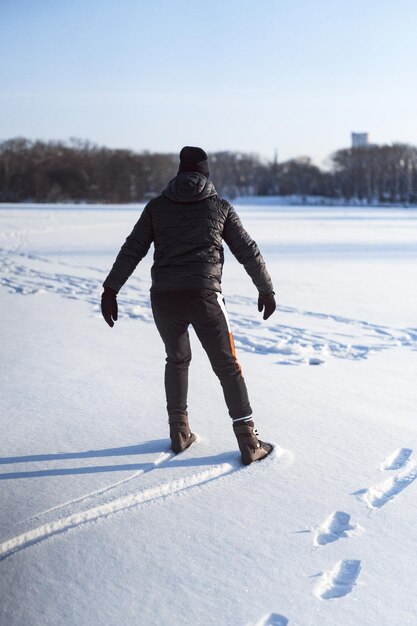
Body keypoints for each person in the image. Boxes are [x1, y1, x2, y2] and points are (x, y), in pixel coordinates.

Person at [101, 147, 276, 465]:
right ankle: (249, 442)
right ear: (206, 174)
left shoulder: (157, 207)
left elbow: (133, 248)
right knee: (227, 366)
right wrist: (266, 289)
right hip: (204, 295)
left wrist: (110, 289)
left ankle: (179, 432)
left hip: (165, 298)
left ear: (180, 173)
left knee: (177, 360)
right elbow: (247, 250)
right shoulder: (219, 207)